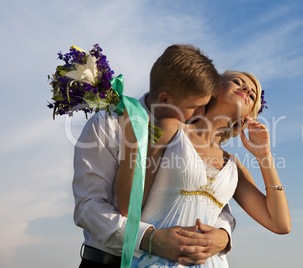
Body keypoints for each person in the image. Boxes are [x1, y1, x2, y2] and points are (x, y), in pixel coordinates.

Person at [73, 44, 236, 268]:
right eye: (196, 107)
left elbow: (213, 199)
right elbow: (88, 207)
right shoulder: (109, 124)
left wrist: (223, 234)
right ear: (166, 99)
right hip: (107, 262)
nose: (201, 115)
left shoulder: (191, 133)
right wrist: (149, 239)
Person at [116, 70, 291, 267]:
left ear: (246, 118)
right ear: (213, 89)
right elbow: (129, 205)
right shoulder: (171, 128)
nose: (246, 90)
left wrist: (264, 156)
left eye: (252, 95)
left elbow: (280, 223)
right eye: (237, 82)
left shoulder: (234, 167)